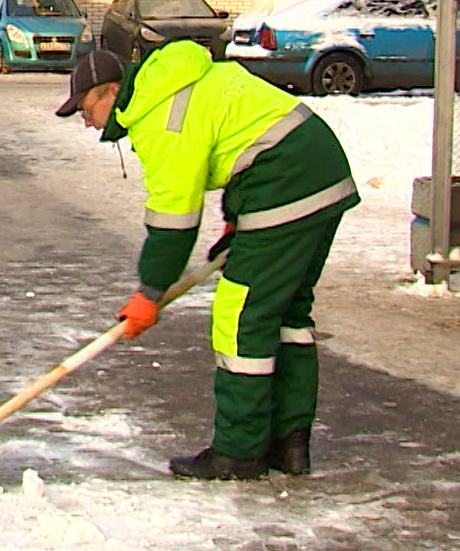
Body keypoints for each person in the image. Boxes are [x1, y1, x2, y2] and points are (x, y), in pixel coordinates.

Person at [58, 42, 357, 480]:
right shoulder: (174, 83)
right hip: (316, 169)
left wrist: (150, 292)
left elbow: (175, 219)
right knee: (286, 313)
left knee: (241, 317)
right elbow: (239, 139)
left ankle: (239, 451)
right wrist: (240, 222)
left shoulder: (157, 115)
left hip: (286, 180)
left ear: (109, 92)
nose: (86, 122)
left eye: (85, 109)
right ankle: (288, 446)